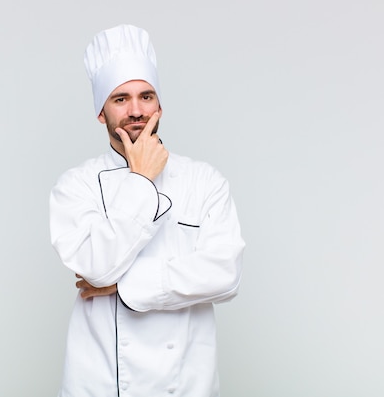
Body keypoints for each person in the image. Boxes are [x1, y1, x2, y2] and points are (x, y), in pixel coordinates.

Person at [49, 24, 245, 397]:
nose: (136, 110)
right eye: (120, 99)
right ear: (100, 113)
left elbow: (226, 274)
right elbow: (95, 266)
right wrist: (141, 180)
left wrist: (121, 285)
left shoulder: (204, 180)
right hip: (102, 385)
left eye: (146, 96)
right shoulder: (76, 185)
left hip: (187, 384)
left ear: (159, 105)